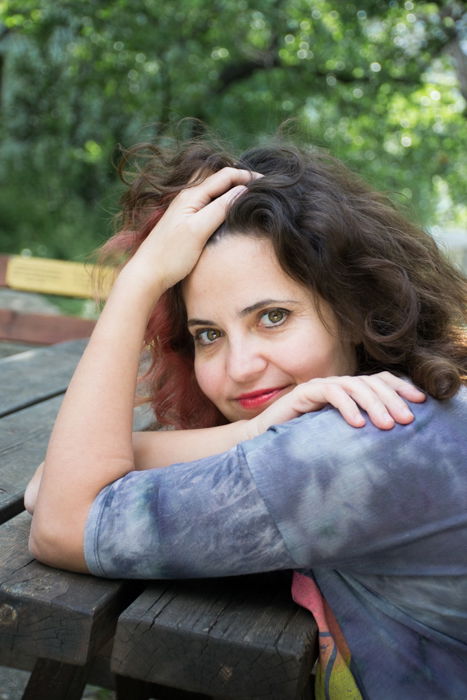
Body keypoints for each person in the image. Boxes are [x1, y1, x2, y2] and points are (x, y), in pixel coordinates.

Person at [26, 139, 467, 699]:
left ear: (354, 311)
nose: (239, 367)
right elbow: (61, 479)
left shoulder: (358, 447)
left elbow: (64, 517)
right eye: (208, 335)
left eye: (274, 317)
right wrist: (256, 430)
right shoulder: (413, 410)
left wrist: (137, 284)